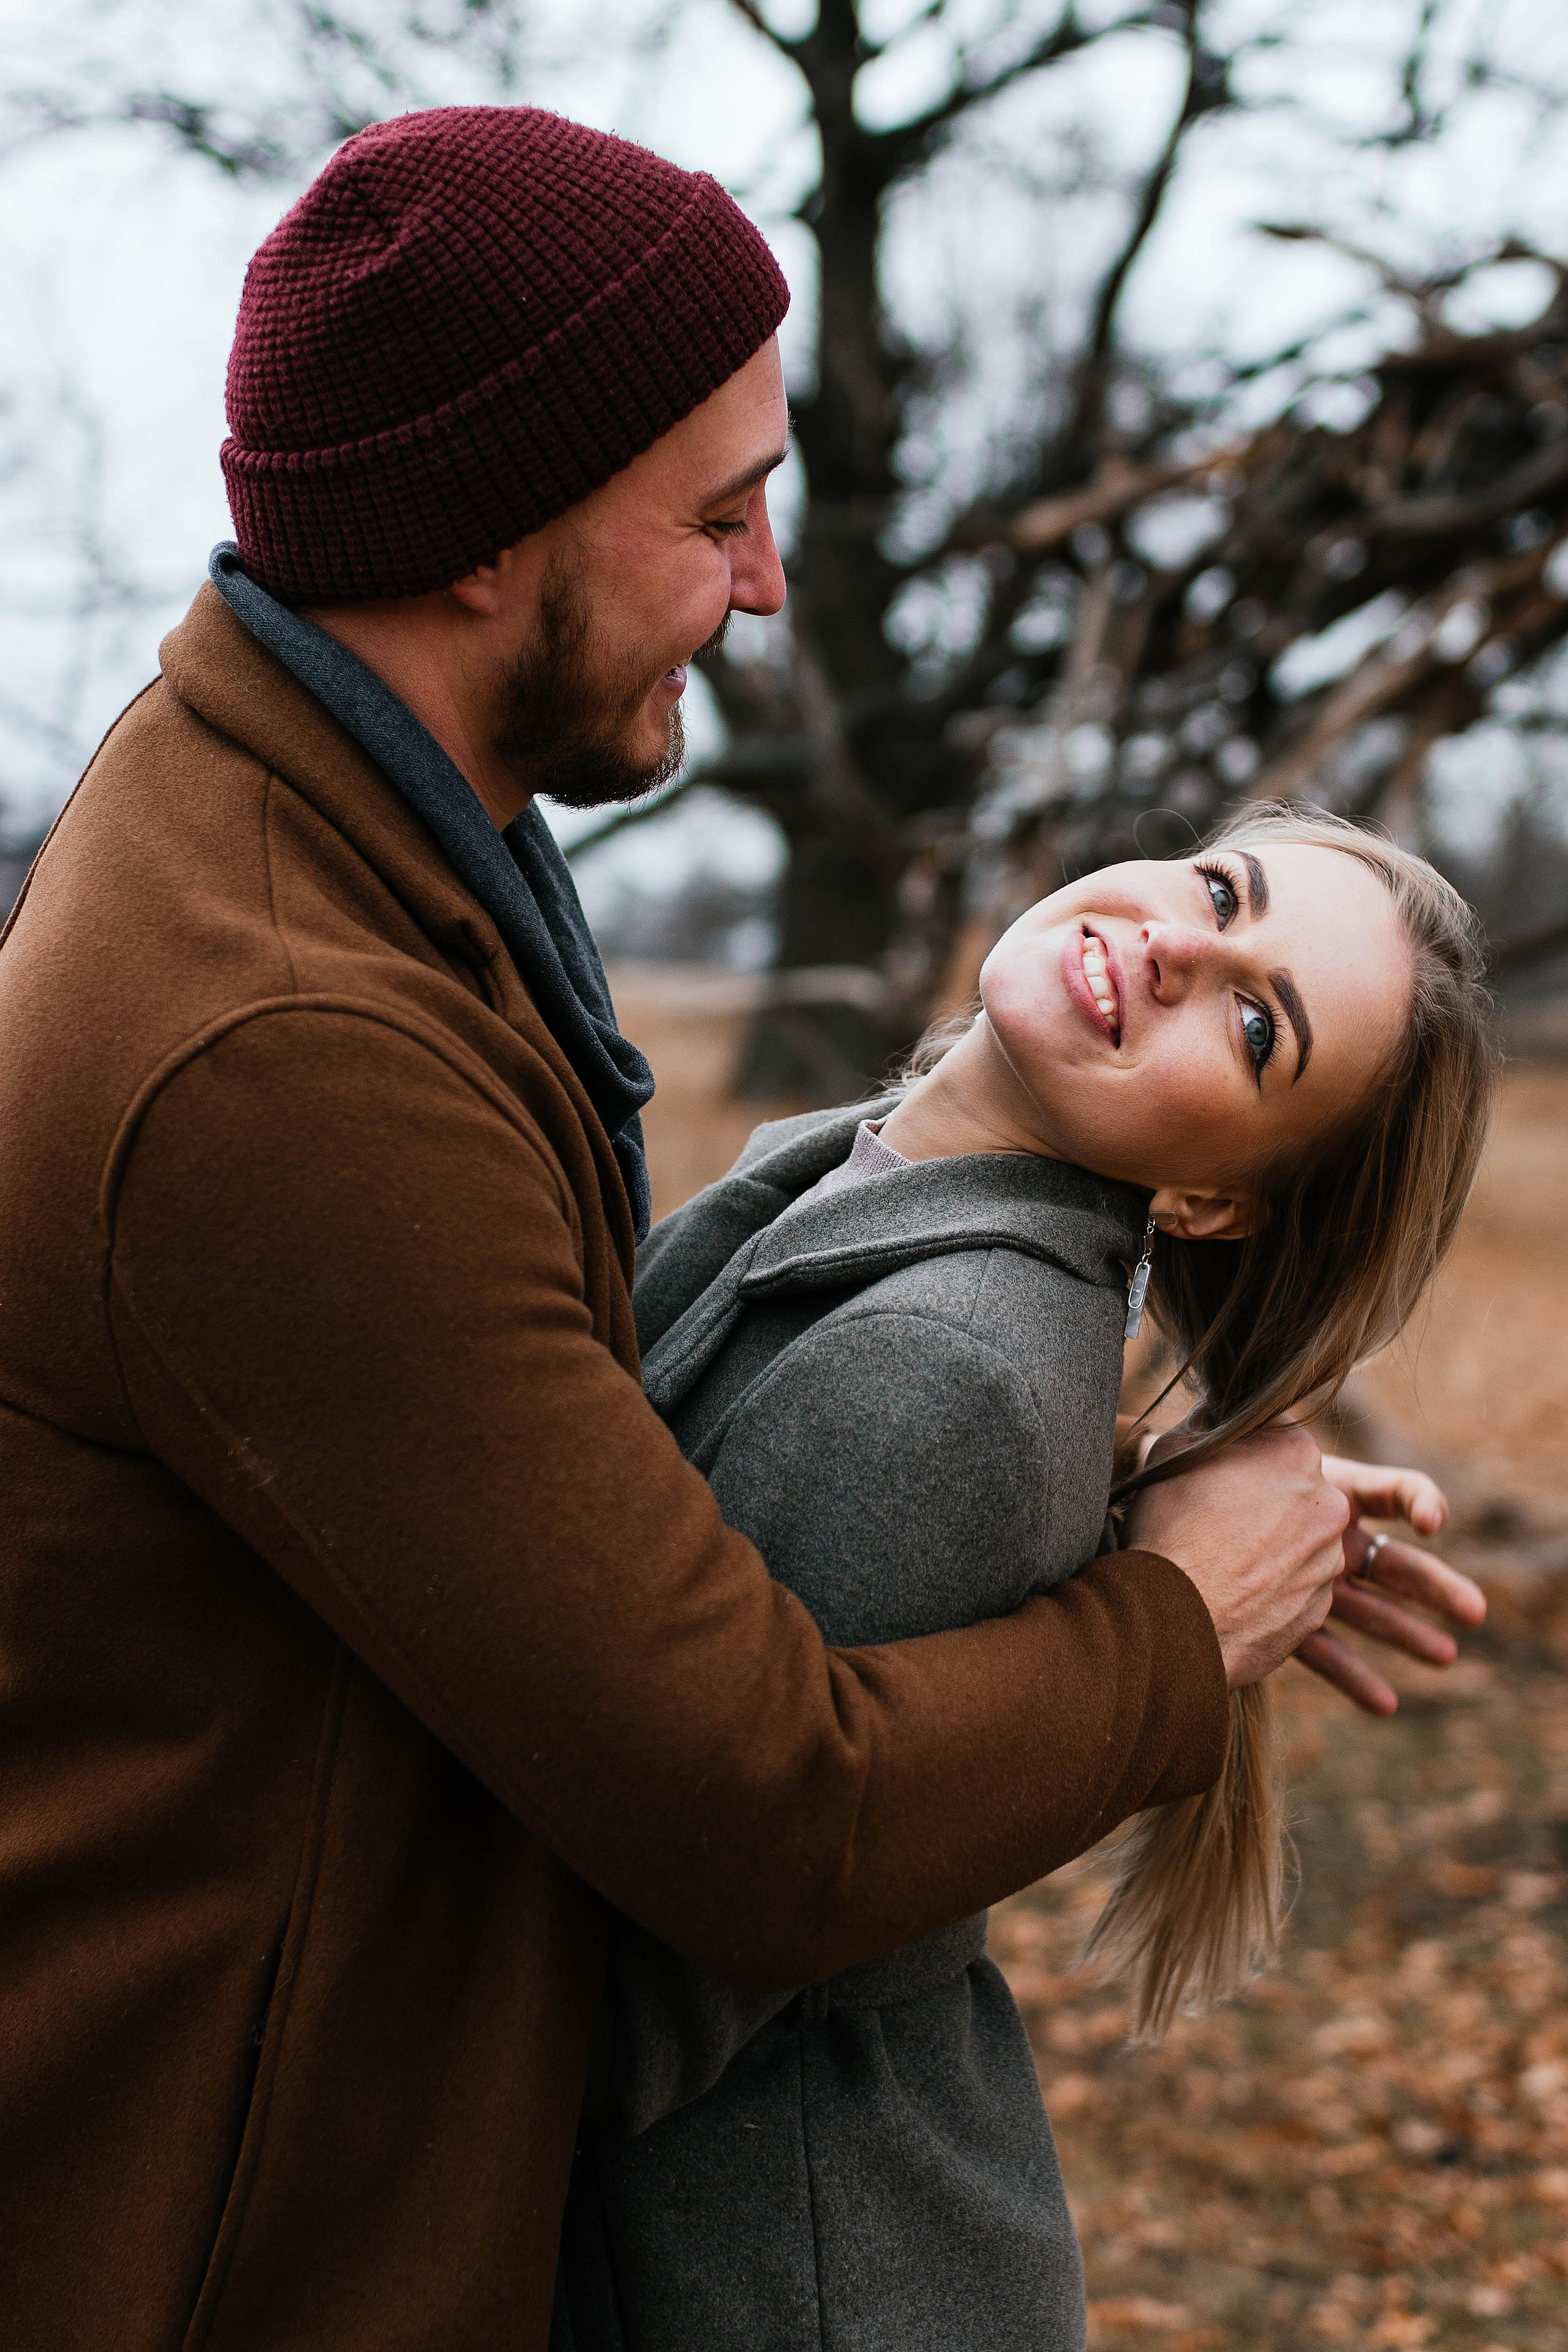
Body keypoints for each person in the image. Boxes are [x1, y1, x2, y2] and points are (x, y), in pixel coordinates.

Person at [0, 108, 1474, 2351]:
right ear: (494, 534)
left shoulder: (323, 819)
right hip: (226, 2202)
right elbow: (765, 1823)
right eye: (716, 512)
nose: (768, 579)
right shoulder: (294, 1037)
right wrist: (1182, 1622)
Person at [556, 807, 1499, 2352]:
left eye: (1255, 1023)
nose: (1181, 944)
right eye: (1218, 887)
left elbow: (657, 1973)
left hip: (768, 2274)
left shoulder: (943, 1380)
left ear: (1213, 1204)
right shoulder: (845, 1187)